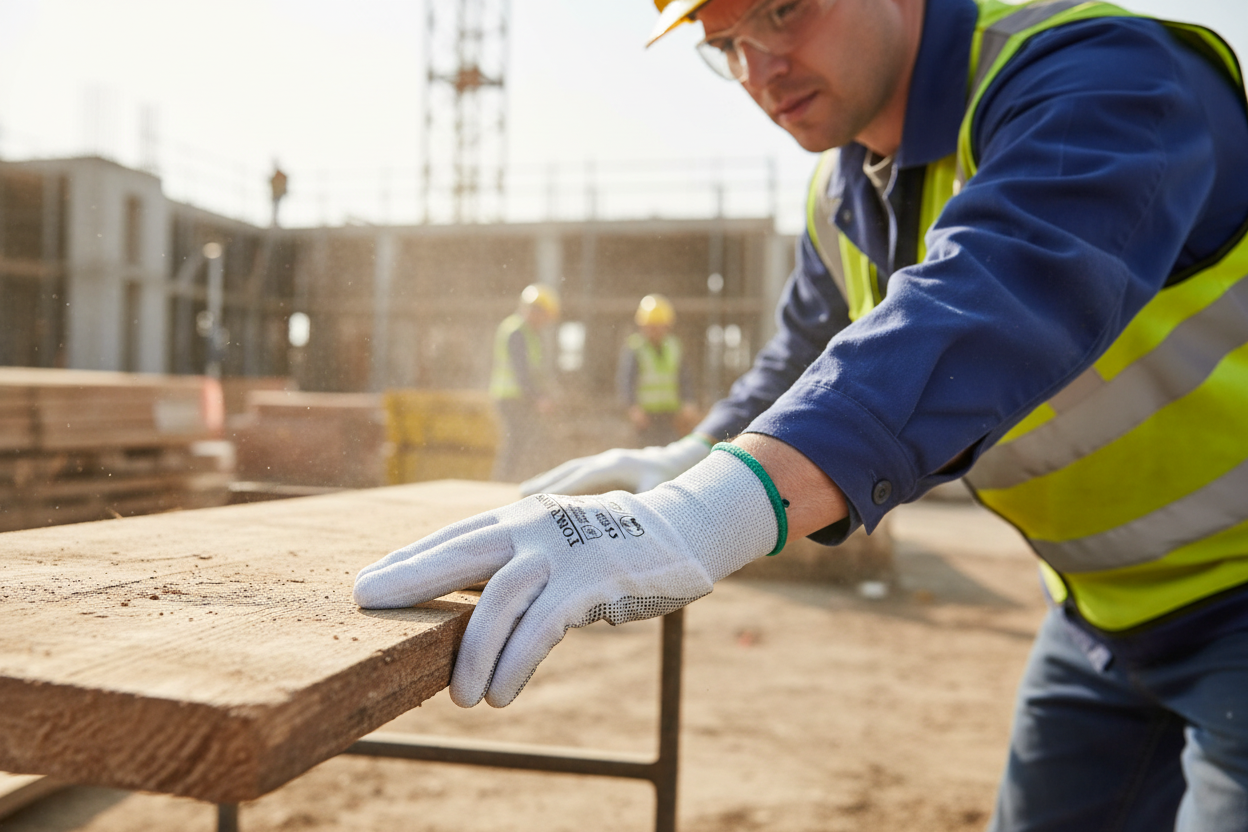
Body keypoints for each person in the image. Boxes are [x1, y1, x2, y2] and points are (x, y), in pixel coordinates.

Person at [356, 0, 1248, 827]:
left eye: (782, 8)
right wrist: (686, 460)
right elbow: (799, 362)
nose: (761, 67)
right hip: (1097, 614)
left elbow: (990, 305)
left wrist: (701, 516)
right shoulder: (841, 194)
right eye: (727, 43)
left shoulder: (1103, 76)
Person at [488, 284, 560, 483]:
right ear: (536, 311)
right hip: (510, 397)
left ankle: (512, 482)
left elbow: (535, 371)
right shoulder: (516, 332)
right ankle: (502, 484)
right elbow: (521, 371)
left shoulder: (530, 333)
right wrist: (538, 398)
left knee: (520, 441)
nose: (545, 321)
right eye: (544, 315)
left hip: (519, 396)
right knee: (517, 441)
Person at [617, 294, 698, 447]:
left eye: (658, 325)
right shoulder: (635, 348)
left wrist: (688, 402)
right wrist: (632, 408)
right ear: (642, 326)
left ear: (667, 325)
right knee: (645, 454)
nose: (654, 330)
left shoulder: (675, 346)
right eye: (650, 326)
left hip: (671, 415)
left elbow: (685, 377)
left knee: (670, 454)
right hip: (646, 417)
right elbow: (626, 380)